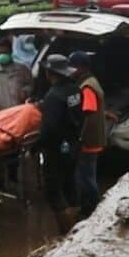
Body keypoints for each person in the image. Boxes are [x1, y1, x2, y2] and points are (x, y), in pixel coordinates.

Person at [38, 54, 83, 233]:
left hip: (56, 149)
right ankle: (78, 228)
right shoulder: (75, 90)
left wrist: (39, 145)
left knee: (54, 191)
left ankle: (67, 232)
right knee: (70, 185)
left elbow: (50, 128)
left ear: (49, 73)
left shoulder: (53, 96)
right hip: (73, 144)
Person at [69, 51, 105, 218]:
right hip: (94, 139)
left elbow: (89, 113)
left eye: (73, 66)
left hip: (89, 141)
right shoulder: (92, 81)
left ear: (80, 68)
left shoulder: (87, 87)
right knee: (88, 174)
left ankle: (93, 209)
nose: (70, 70)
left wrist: (81, 137)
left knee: (86, 177)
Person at [0, 37, 34, 113]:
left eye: (5, 52)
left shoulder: (23, 69)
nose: (2, 55)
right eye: (0, 53)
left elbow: (30, 85)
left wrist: (25, 91)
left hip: (20, 111)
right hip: (0, 113)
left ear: (11, 51)